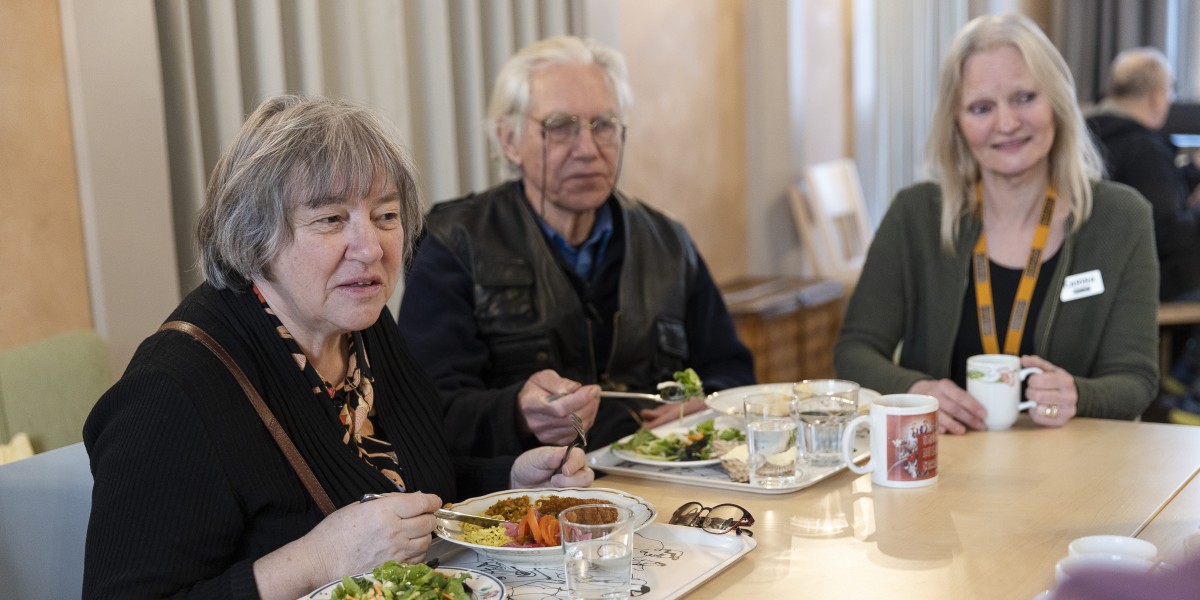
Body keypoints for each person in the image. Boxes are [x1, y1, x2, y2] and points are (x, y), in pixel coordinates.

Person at [82, 95, 593, 600]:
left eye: (386, 215)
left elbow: (399, 490)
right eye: (330, 219)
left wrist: (511, 479)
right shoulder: (171, 393)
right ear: (254, 237)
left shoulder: (361, 324)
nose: (371, 247)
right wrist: (316, 561)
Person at [397, 35, 755, 456]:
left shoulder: (668, 243)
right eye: (560, 127)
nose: (587, 149)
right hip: (525, 500)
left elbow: (732, 371)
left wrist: (708, 402)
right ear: (509, 140)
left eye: (603, 125)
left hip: (663, 484)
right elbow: (424, 408)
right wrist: (514, 412)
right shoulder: (453, 243)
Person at [833, 13, 1159, 435]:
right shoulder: (915, 215)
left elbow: (1136, 379)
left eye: (1024, 97)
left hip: (1075, 470)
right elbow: (854, 351)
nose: (1006, 124)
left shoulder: (1121, 218)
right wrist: (916, 389)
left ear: (1057, 102)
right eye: (981, 107)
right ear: (957, 124)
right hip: (939, 467)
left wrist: (1078, 394)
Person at [1086, 47, 1200, 302]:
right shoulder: (1144, 149)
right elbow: (1168, 234)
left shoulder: (1086, 134)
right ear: (1156, 96)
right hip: (1137, 284)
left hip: (1096, 275)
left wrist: (1191, 171)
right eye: (1170, 90)